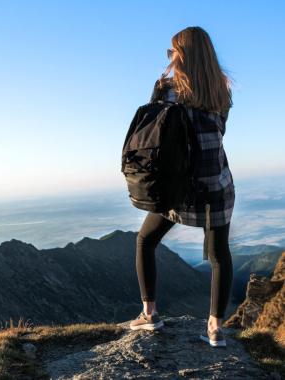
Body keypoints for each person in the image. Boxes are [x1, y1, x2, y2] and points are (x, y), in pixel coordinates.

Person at [129, 26, 235, 348]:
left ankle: (150, 314)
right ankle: (216, 329)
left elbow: (153, 131)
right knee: (219, 255)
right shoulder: (222, 90)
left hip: (179, 187)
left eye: (172, 51)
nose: (170, 57)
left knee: (146, 240)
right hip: (217, 183)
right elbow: (221, 131)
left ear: (181, 54)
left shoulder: (166, 87)